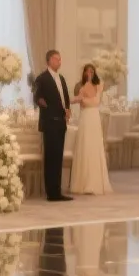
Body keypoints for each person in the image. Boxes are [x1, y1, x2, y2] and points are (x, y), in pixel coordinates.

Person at [33, 50, 72, 201]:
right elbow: (37, 97)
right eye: (57, 59)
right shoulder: (42, 78)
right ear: (49, 60)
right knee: (50, 157)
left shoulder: (61, 78)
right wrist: (45, 105)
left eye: (60, 59)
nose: (59, 62)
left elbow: (65, 97)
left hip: (61, 123)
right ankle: (51, 193)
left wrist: (67, 109)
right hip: (49, 123)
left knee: (58, 157)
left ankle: (57, 190)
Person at [69, 63, 112, 195]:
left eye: (91, 72)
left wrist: (84, 98)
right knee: (85, 146)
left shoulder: (98, 86)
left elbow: (95, 102)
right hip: (85, 118)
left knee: (94, 147)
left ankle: (95, 182)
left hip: (93, 117)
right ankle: (82, 183)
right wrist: (81, 97)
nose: (89, 74)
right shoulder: (81, 87)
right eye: (87, 72)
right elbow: (74, 100)